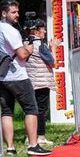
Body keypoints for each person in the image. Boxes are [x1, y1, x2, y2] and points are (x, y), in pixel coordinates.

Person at [0, 0, 51, 156]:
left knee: (6, 112)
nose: (17, 15)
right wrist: (29, 48)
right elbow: (22, 54)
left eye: (17, 12)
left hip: (1, 76)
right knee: (31, 108)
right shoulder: (10, 30)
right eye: (13, 12)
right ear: (4, 13)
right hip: (16, 75)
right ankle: (33, 145)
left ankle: (10, 148)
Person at [23, 17, 56, 146]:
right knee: (41, 109)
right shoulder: (41, 45)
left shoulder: (25, 43)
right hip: (42, 82)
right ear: (36, 31)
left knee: (30, 109)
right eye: (43, 29)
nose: (45, 32)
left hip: (29, 81)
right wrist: (53, 47)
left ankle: (29, 136)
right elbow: (52, 62)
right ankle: (40, 136)